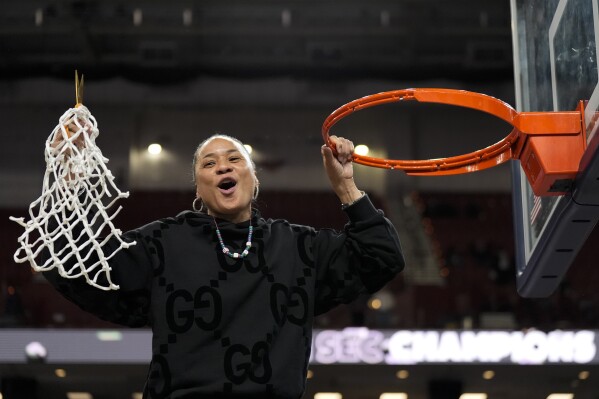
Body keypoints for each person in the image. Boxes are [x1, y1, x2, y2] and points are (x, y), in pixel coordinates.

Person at [42, 132, 405, 399]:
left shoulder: (297, 247)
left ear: (254, 179)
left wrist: (346, 187)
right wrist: (68, 179)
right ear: (198, 189)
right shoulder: (164, 241)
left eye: (234, 159)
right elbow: (75, 265)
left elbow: (382, 257)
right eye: (209, 163)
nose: (223, 167)